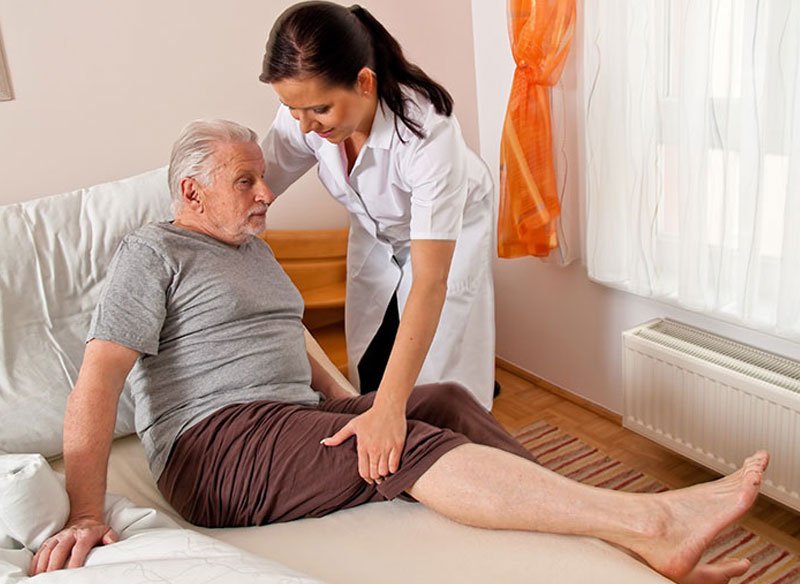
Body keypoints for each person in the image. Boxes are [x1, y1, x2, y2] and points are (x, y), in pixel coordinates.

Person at [31, 119, 767, 584]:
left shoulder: (253, 253)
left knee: (441, 400)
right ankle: (648, 524)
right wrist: (85, 511)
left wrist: (353, 404)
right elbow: (99, 378)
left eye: (263, 177)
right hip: (218, 448)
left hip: (284, 421)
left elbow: (291, 338)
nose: (266, 193)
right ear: (191, 193)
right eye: (244, 181)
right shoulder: (153, 252)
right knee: (397, 446)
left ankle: (619, 539)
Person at [258, 1, 498, 482]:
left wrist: (390, 410)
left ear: (364, 82)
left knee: (436, 372)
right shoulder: (307, 113)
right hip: (377, 230)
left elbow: (430, 281)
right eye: (292, 109)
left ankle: (466, 457)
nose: (304, 126)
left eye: (318, 109)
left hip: (451, 233)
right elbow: (258, 187)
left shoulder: (429, 135)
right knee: (370, 359)